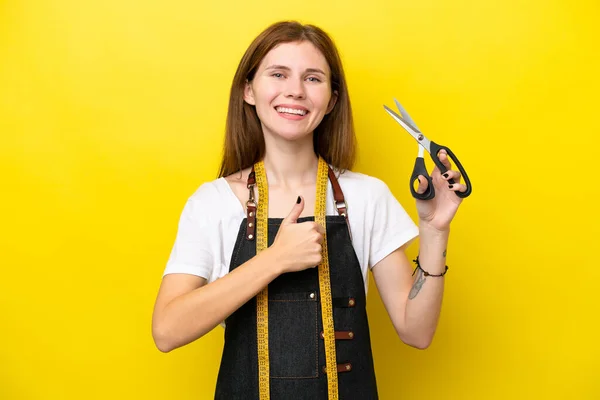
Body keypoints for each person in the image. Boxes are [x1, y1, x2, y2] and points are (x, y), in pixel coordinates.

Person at [151, 20, 467, 399]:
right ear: (249, 90)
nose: (295, 91)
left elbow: (416, 332)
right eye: (278, 74)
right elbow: (167, 330)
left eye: (313, 78)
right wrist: (275, 259)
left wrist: (434, 232)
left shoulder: (368, 197)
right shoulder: (213, 202)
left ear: (332, 100)